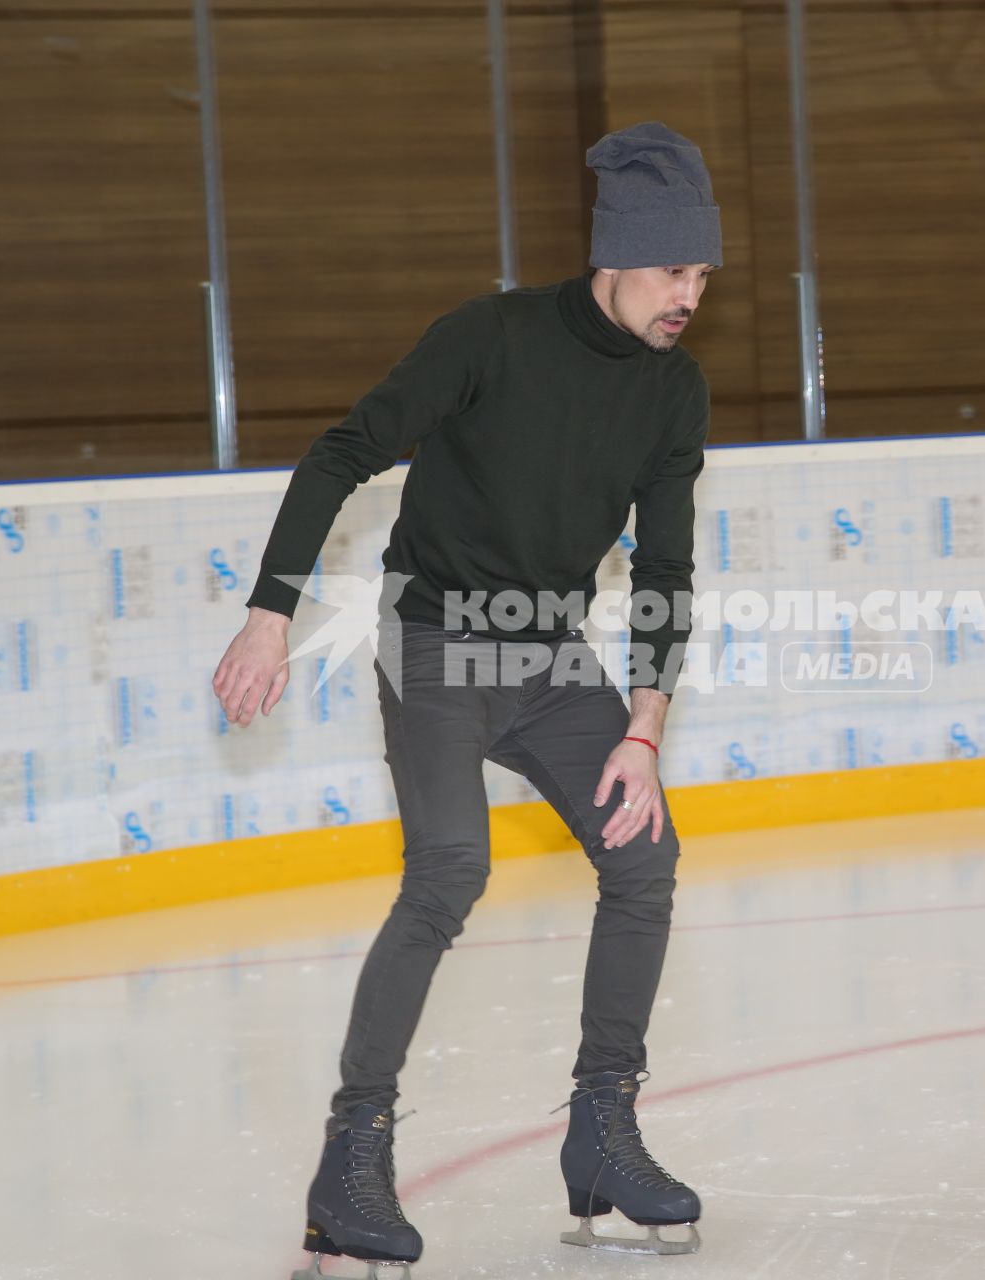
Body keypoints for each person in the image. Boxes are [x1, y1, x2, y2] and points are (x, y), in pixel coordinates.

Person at [211, 122, 719, 1273]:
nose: (688, 295)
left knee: (643, 853)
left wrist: (644, 729)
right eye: (672, 270)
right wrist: (270, 609)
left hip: (547, 657)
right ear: (617, 254)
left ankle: (602, 1127)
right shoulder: (489, 336)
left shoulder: (673, 392)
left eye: (701, 275)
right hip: (437, 638)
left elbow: (667, 573)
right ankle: (351, 1161)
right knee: (451, 866)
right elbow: (342, 453)